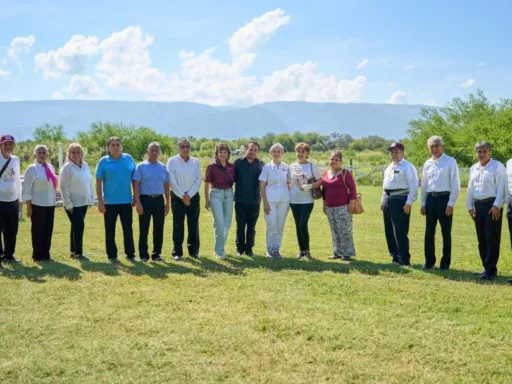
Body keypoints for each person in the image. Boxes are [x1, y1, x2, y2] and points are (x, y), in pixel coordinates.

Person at [466, 141, 507, 281]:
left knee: (492, 238)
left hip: (492, 205)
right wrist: (470, 206)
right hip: (478, 205)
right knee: (481, 239)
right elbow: (470, 189)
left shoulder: (497, 166)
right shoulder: (473, 168)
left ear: (490, 152)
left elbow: (502, 187)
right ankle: (486, 267)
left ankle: (490, 269)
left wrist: (497, 205)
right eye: (479, 151)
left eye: (484, 151)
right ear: (476, 153)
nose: (482, 154)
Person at [420, 136, 460, 270]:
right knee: (429, 232)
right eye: (431, 146)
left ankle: (445, 263)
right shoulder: (427, 163)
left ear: (443, 147)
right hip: (431, 199)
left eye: (437, 145)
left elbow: (455, 184)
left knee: (446, 233)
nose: (434, 148)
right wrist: (423, 203)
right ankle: (429, 262)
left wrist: (451, 204)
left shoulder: (450, 161)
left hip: (445, 199)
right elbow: (424, 185)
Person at [95, 137, 136, 264]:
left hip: (126, 202)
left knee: (128, 229)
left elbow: (135, 180)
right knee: (110, 230)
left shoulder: (128, 159)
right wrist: (100, 202)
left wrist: (135, 196)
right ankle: (112, 256)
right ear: (108, 147)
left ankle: (131, 255)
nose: (115, 147)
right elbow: (98, 182)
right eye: (112, 145)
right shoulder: (103, 162)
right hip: (109, 203)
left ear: (121, 146)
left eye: (118, 144)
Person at [380, 142, 419, 266]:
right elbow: (384, 186)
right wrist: (382, 200)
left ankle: (404, 259)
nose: (394, 154)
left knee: (400, 231)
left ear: (403, 153)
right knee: (389, 230)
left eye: (397, 152)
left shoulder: (408, 166)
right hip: (388, 198)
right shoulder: (389, 167)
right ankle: (395, 256)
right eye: (392, 152)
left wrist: (409, 202)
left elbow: (414, 186)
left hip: (401, 199)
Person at [133, 142, 170, 262]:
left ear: (159, 152)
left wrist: (167, 202)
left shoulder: (163, 167)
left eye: (156, 150)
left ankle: (156, 254)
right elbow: (136, 185)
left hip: (159, 200)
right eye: (151, 150)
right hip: (145, 199)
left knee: (159, 228)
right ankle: (143, 255)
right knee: (144, 228)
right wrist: (138, 203)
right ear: (147, 152)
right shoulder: (141, 166)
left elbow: (166, 186)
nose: (154, 153)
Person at [167, 138, 202, 261]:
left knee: (193, 225)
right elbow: (172, 181)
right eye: (182, 146)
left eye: (187, 146)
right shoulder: (172, 161)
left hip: (193, 198)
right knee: (178, 225)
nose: (185, 149)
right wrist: (183, 195)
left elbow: (199, 179)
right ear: (178, 148)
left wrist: (189, 195)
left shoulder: (195, 161)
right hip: (177, 198)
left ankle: (194, 252)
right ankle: (177, 252)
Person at [59, 143, 95, 262]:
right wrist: (68, 203)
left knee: (75, 226)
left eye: (78, 152)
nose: (76, 154)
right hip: (72, 204)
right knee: (79, 226)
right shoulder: (67, 167)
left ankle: (73, 251)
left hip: (83, 202)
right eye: (73, 152)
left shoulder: (85, 165)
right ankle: (79, 253)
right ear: (68, 154)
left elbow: (89, 182)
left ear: (82, 153)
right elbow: (64, 187)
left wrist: (90, 198)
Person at [22, 145, 57, 262]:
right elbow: (26, 189)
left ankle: (46, 254)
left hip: (50, 204)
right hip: (37, 204)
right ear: (35, 155)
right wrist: (29, 206)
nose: (42, 155)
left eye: (44, 152)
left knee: (48, 229)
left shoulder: (51, 167)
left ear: (47, 154)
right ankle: (37, 255)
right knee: (38, 230)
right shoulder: (31, 169)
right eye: (39, 153)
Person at [322, 150, 357, 261]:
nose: (334, 161)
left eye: (336, 159)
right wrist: (324, 205)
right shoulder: (325, 173)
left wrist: (351, 203)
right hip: (329, 207)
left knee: (345, 230)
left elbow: (353, 189)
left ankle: (347, 253)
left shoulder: (345, 173)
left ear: (340, 161)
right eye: (332, 159)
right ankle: (336, 252)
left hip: (343, 206)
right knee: (334, 230)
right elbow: (324, 191)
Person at [289, 142, 322, 259]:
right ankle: (301, 251)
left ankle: (307, 251)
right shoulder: (291, 166)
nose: (300, 153)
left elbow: (320, 181)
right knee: (298, 225)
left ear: (307, 153)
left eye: (303, 151)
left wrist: (309, 186)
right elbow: (288, 182)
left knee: (303, 224)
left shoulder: (312, 166)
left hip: (307, 201)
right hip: (293, 200)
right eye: (298, 151)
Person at [259, 143, 291, 258]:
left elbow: (289, 183)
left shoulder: (286, 167)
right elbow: (262, 185)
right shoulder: (266, 167)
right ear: (270, 153)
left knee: (280, 225)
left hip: (284, 200)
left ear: (282, 154)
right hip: (270, 200)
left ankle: (276, 249)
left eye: (278, 151)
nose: (276, 153)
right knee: (271, 225)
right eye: (274, 151)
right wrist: (265, 202)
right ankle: (269, 250)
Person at [233, 142, 265, 257]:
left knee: (252, 227)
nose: (252, 152)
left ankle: (249, 249)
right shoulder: (238, 163)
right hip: (240, 200)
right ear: (246, 149)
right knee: (240, 226)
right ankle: (239, 249)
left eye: (255, 150)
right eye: (251, 149)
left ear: (258, 152)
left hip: (255, 201)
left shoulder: (261, 165)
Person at [204, 143, 235, 259]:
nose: (223, 154)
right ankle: (219, 251)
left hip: (228, 194)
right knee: (220, 222)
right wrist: (207, 199)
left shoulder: (232, 167)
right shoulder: (211, 166)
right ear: (216, 154)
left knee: (227, 223)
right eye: (220, 152)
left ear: (228, 154)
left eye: (225, 152)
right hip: (216, 194)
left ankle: (220, 247)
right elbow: (206, 183)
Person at [0, 134, 22, 265]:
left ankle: (9, 255)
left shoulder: (16, 160)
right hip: (0, 200)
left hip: (13, 200)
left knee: (12, 229)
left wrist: (20, 198)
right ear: (1, 146)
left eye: (10, 144)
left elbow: (18, 179)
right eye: (5, 144)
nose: (8, 147)